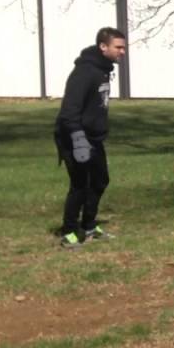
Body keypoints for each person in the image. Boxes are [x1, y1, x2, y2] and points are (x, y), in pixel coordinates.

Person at [53, 27, 127, 249]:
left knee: (100, 180)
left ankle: (89, 226)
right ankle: (68, 232)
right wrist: (77, 139)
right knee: (80, 185)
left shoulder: (103, 69)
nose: (122, 52)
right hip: (73, 136)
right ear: (103, 47)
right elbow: (69, 111)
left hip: (93, 138)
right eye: (118, 47)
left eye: (124, 47)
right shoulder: (84, 72)